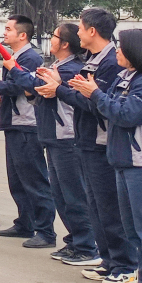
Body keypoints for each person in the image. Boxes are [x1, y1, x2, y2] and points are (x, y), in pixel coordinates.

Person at [69, 27, 142, 283]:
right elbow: (110, 106)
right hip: (125, 163)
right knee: (135, 232)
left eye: (121, 47)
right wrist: (93, 94)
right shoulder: (125, 78)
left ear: (135, 52)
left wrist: (95, 94)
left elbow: (126, 114)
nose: (116, 51)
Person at [41, 6, 137, 283]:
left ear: (92, 31)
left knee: (109, 206)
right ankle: (108, 260)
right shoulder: (93, 60)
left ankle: (124, 264)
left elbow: (96, 102)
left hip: (101, 142)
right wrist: (63, 87)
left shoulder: (110, 63)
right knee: (95, 204)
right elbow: (83, 94)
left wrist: (60, 90)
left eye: (81, 28)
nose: (78, 33)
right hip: (84, 139)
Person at [0, 15, 57, 249]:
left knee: (34, 178)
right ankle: (25, 222)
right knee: (17, 179)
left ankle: (46, 230)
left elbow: (21, 86)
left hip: (27, 124)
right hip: (14, 121)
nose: (4, 33)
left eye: (8, 29)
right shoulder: (15, 57)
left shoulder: (29, 57)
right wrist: (1, 100)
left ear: (22, 35)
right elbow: (12, 91)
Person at [33, 22, 101, 268]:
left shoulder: (72, 68)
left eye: (54, 36)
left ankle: (87, 245)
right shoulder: (58, 66)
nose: (50, 40)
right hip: (53, 135)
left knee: (74, 195)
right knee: (61, 194)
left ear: (64, 44)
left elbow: (73, 98)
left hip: (66, 137)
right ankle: (75, 239)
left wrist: (57, 87)